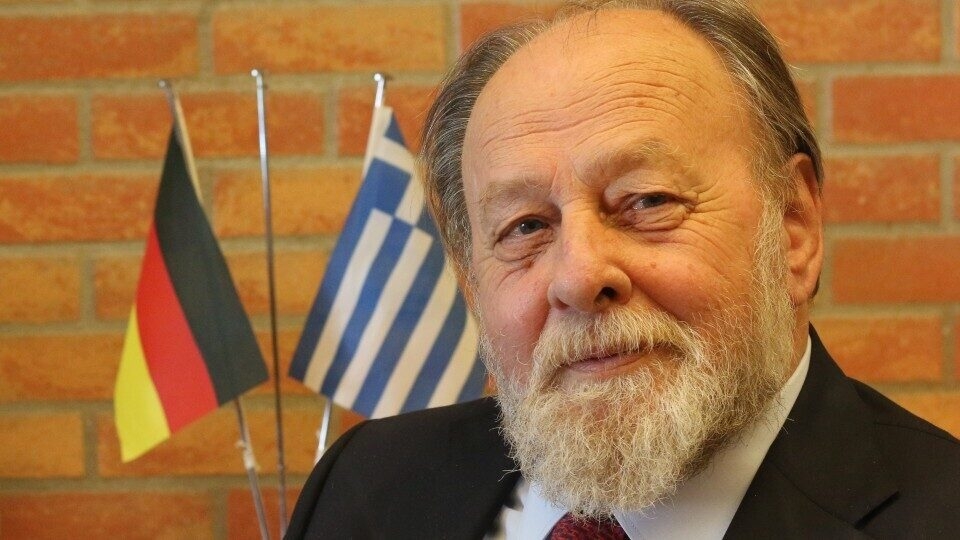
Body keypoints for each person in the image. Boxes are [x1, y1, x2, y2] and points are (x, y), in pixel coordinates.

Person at [286, 1, 960, 538]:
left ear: (793, 229)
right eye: (526, 227)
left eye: (647, 201)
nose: (579, 277)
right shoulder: (364, 489)